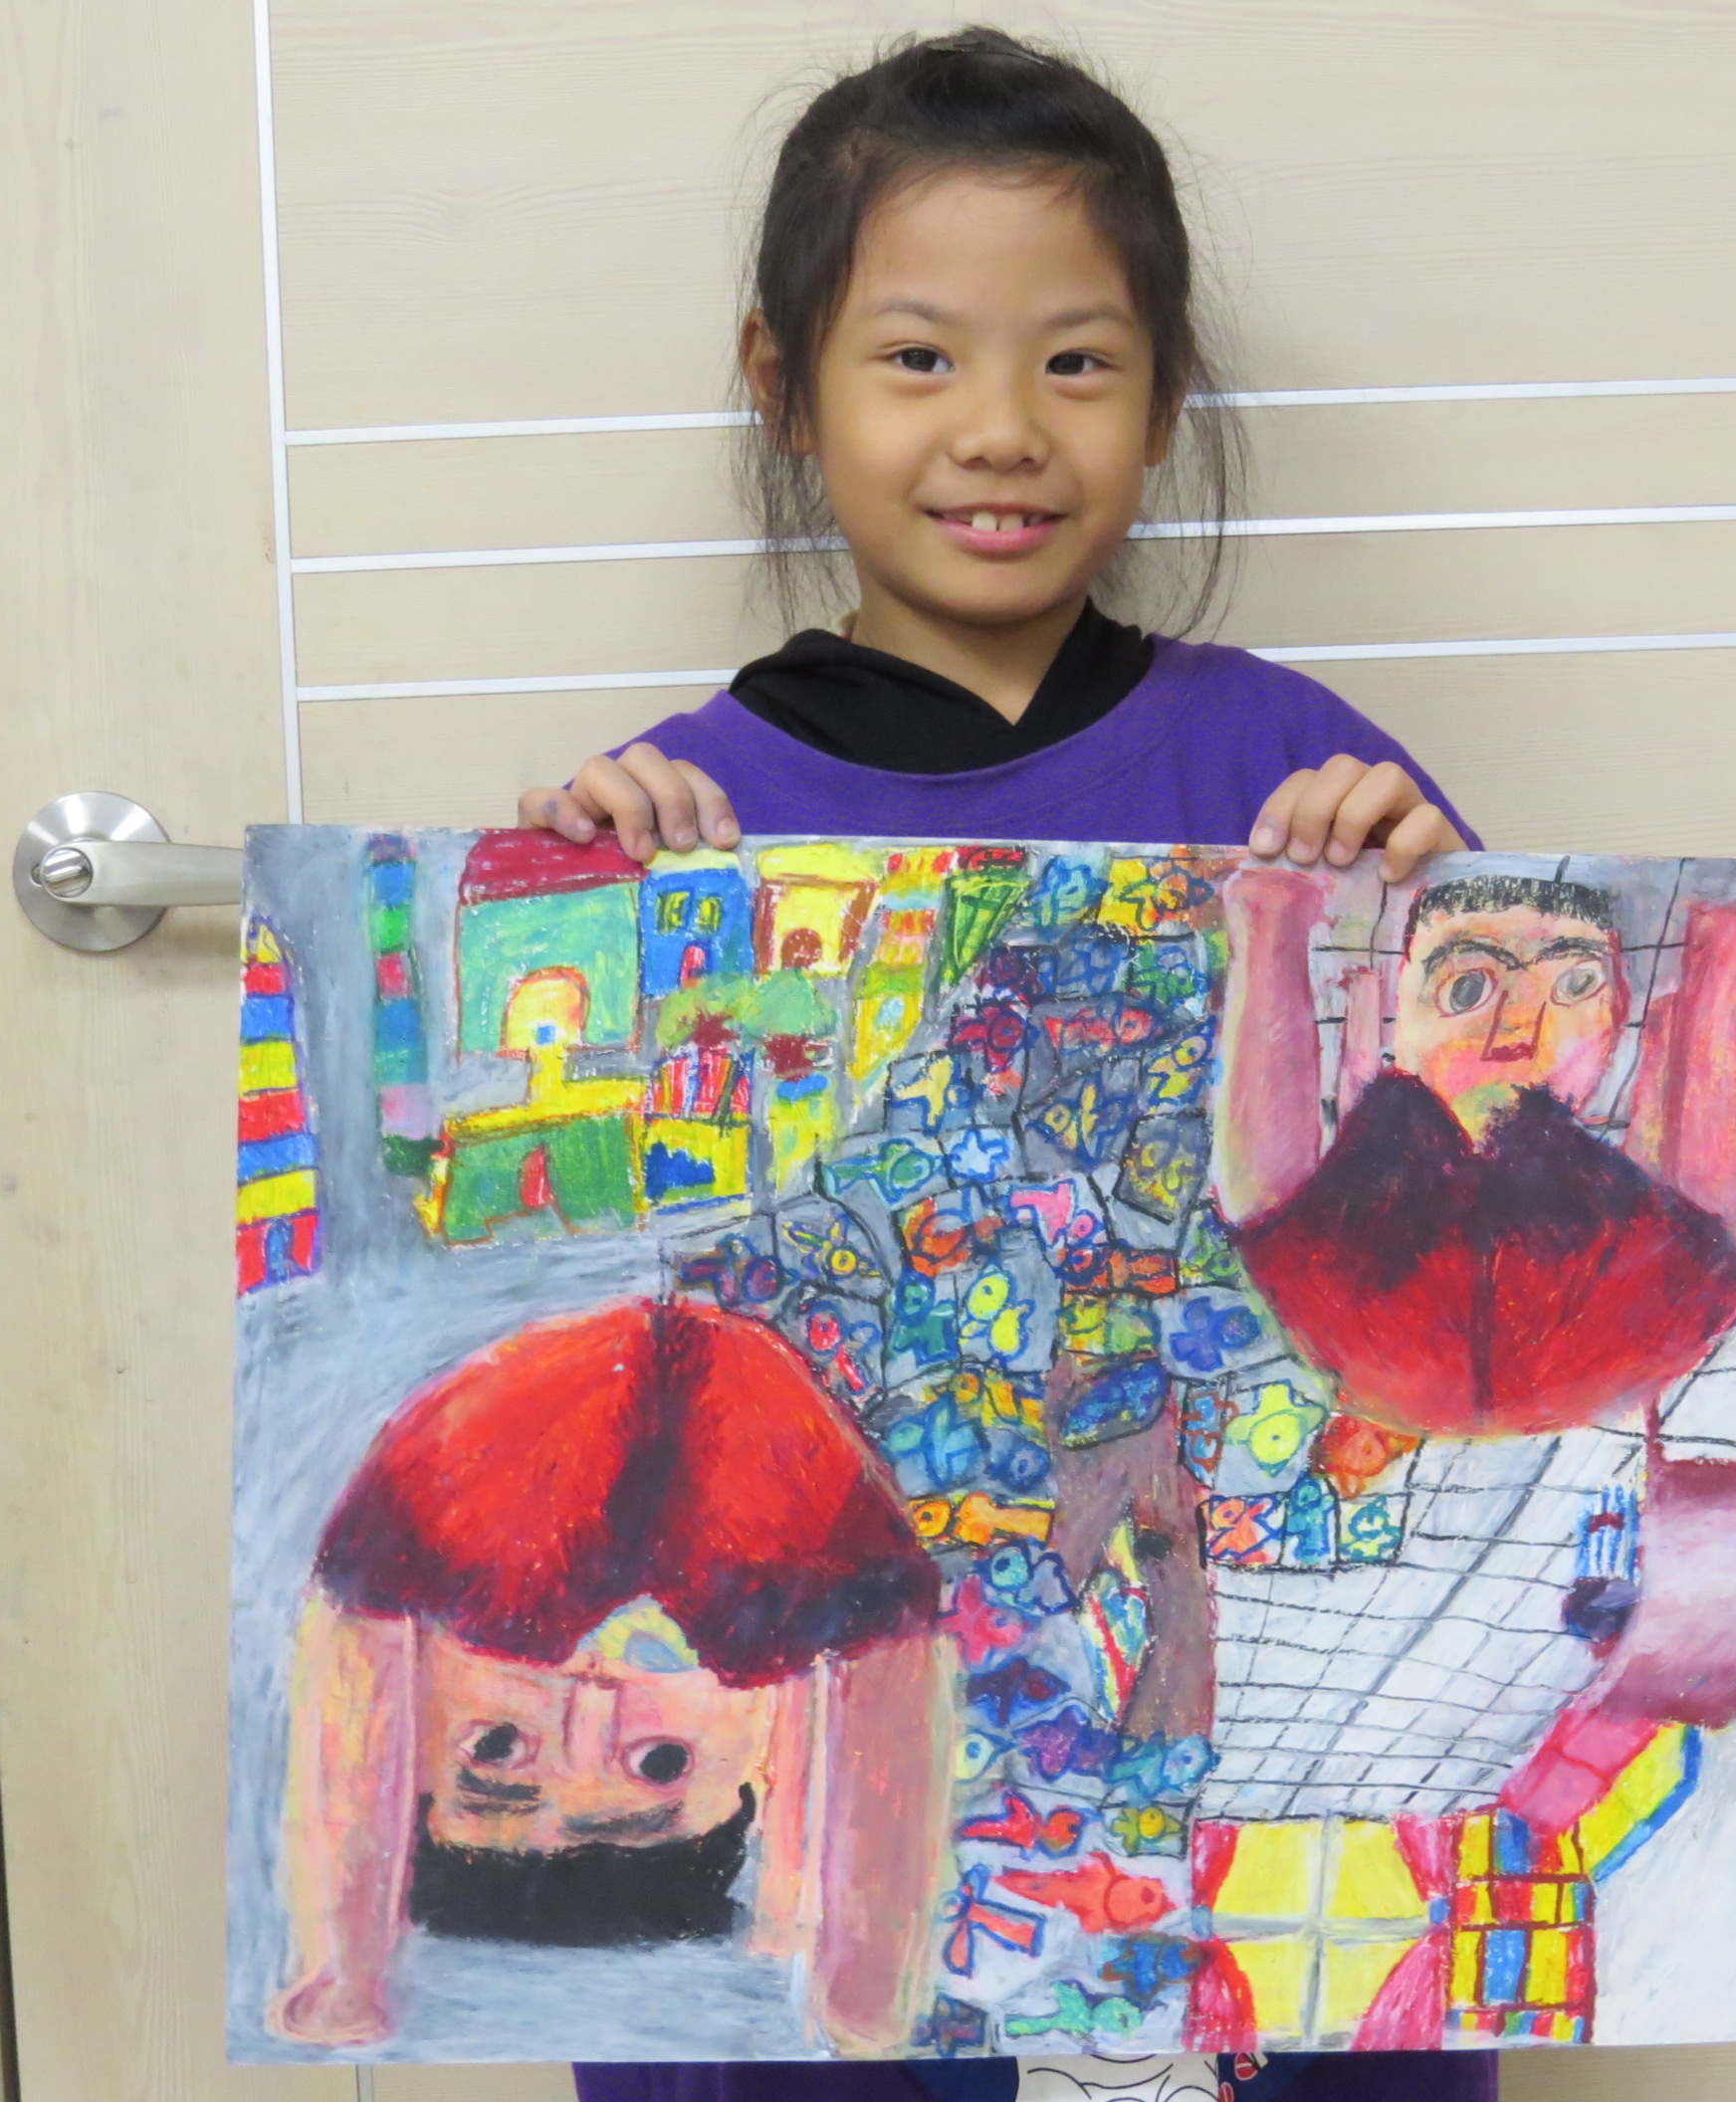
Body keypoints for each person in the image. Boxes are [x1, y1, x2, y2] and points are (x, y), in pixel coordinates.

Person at [512, 28, 1486, 2102]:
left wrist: (1422, 909)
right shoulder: (687, 819)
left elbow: (1462, 1227)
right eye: (918, 357)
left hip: (1192, 1708)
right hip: (839, 1778)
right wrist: (567, 919)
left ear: (1164, 395)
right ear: (783, 386)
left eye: (1076, 360)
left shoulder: (1293, 773)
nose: (1001, 429)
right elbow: (584, 1305)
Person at [270, 1298, 950, 2056]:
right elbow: (888, 1709)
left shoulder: (414, 1537)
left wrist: (346, 1970)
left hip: (521, 1413)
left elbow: (349, 1684)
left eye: (495, 1748)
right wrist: (857, 1985)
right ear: (770, 1745)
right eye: (660, 1762)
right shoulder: (811, 1579)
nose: (588, 1707)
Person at [1213, 871, 1736, 1441]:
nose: (1521, 1026)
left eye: (1576, 986)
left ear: (1617, 1015)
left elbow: (1257, 1200)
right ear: (1399, 1009)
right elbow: (1258, 1201)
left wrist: (1730, 960)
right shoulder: (1320, 1246)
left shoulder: (1663, 1265)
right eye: (1467, 989)